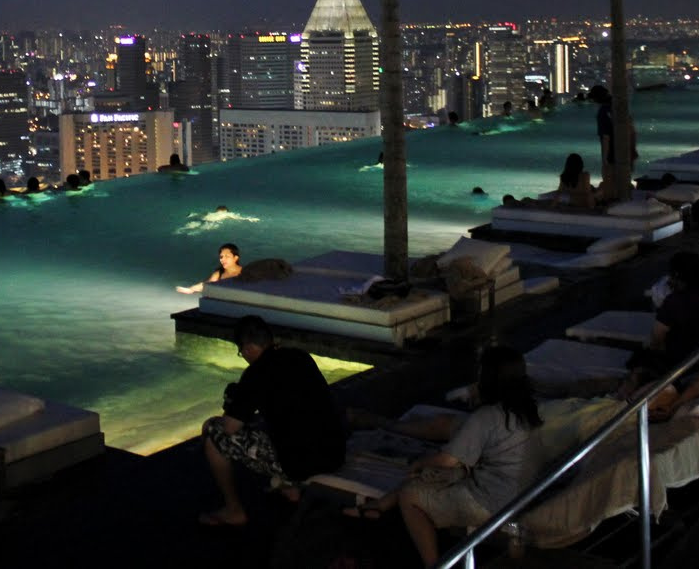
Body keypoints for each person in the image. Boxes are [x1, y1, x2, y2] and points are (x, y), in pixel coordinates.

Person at [345, 346, 541, 568]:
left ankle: (434, 564)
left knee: (411, 495)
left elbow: (447, 459)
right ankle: (380, 505)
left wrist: (420, 463)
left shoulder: (488, 416)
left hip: (492, 502)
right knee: (436, 475)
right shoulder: (526, 411)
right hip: (522, 492)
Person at [198, 315, 345, 526]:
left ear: (248, 349)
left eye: (241, 352)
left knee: (214, 430)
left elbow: (230, 427)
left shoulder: (256, 373)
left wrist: (222, 413)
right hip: (335, 453)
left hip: (303, 463)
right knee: (284, 424)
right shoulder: (300, 357)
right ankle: (290, 488)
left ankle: (234, 510)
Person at [618, 252, 699, 421]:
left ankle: (621, 398)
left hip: (680, 366)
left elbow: (656, 339)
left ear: (677, 276)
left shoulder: (675, 301)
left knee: (639, 358)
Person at [589, 84, 637, 201]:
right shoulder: (620, 108)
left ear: (596, 99)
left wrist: (605, 160)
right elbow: (632, 130)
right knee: (624, 182)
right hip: (627, 149)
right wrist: (632, 148)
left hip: (612, 153)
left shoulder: (603, 112)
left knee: (611, 183)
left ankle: (614, 204)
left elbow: (606, 137)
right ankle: (626, 202)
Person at [178, 242, 242, 294]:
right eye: (221, 257)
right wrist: (191, 290)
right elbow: (206, 285)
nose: (222, 259)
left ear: (235, 258)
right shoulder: (218, 274)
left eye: (227, 256)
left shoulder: (244, 272)